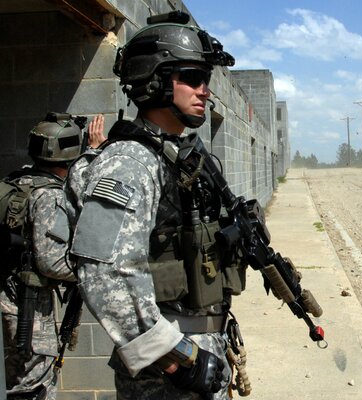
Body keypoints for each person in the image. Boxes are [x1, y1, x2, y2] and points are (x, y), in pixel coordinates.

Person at [66, 12, 239, 399]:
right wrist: (176, 358)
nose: (204, 90)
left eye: (206, 80)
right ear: (155, 80)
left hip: (203, 350)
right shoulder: (130, 161)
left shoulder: (181, 154)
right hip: (169, 372)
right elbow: (106, 271)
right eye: (192, 78)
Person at [1, 113, 105, 399]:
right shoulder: (48, 195)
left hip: (11, 297)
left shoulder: (16, 180)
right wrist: (90, 267)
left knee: (17, 379)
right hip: (28, 308)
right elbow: (51, 262)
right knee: (35, 385)